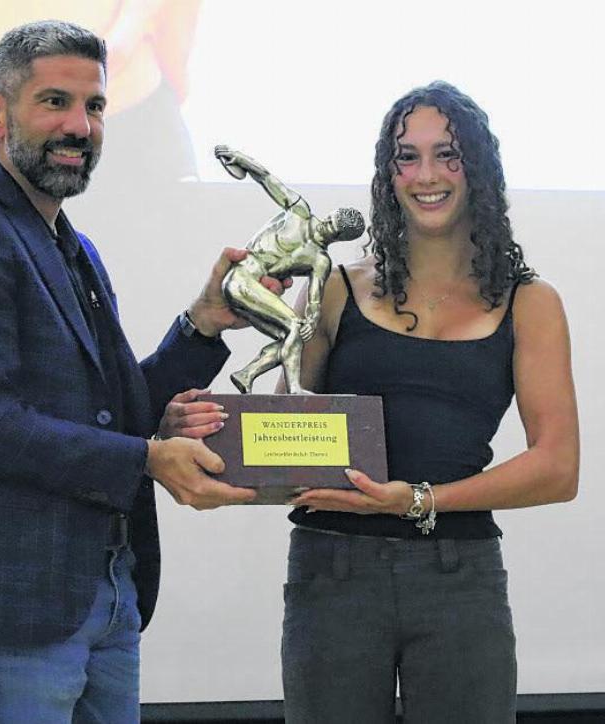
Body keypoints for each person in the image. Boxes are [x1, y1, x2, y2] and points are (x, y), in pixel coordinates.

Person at [166, 81, 580, 722]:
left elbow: (558, 468)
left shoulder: (530, 302)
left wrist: (419, 499)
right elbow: (288, 420)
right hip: (332, 568)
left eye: (448, 155)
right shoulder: (333, 285)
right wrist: (205, 424)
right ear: (387, 175)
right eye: (406, 157)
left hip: (458, 573)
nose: (426, 175)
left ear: (480, 168)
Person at [0, 19, 274, 723]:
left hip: (107, 591)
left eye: (94, 106)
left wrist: (203, 322)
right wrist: (147, 456)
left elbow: (115, 409)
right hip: (18, 606)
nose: (80, 125)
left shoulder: (74, 247)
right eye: (54, 102)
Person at [214, 145, 365, 393]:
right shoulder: (299, 212)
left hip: (250, 289)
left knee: (293, 336)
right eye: (329, 221)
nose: (325, 228)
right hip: (241, 278)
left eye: (333, 230)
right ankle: (294, 389)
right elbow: (267, 179)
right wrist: (241, 159)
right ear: (329, 215)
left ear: (339, 237)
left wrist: (313, 320)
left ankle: (247, 373)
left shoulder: (320, 260)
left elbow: (314, 300)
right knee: (293, 327)